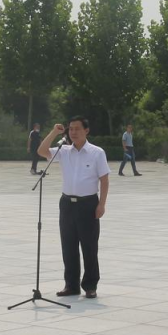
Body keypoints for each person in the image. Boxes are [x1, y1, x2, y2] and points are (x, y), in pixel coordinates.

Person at [37, 116, 110, 299]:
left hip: (88, 204)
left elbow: (104, 179)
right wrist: (54, 132)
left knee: (89, 247)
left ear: (86, 130)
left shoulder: (97, 152)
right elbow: (41, 151)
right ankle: (71, 285)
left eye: (77, 129)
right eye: (70, 129)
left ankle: (90, 286)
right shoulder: (64, 151)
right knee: (68, 246)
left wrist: (101, 204)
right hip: (67, 204)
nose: (73, 132)